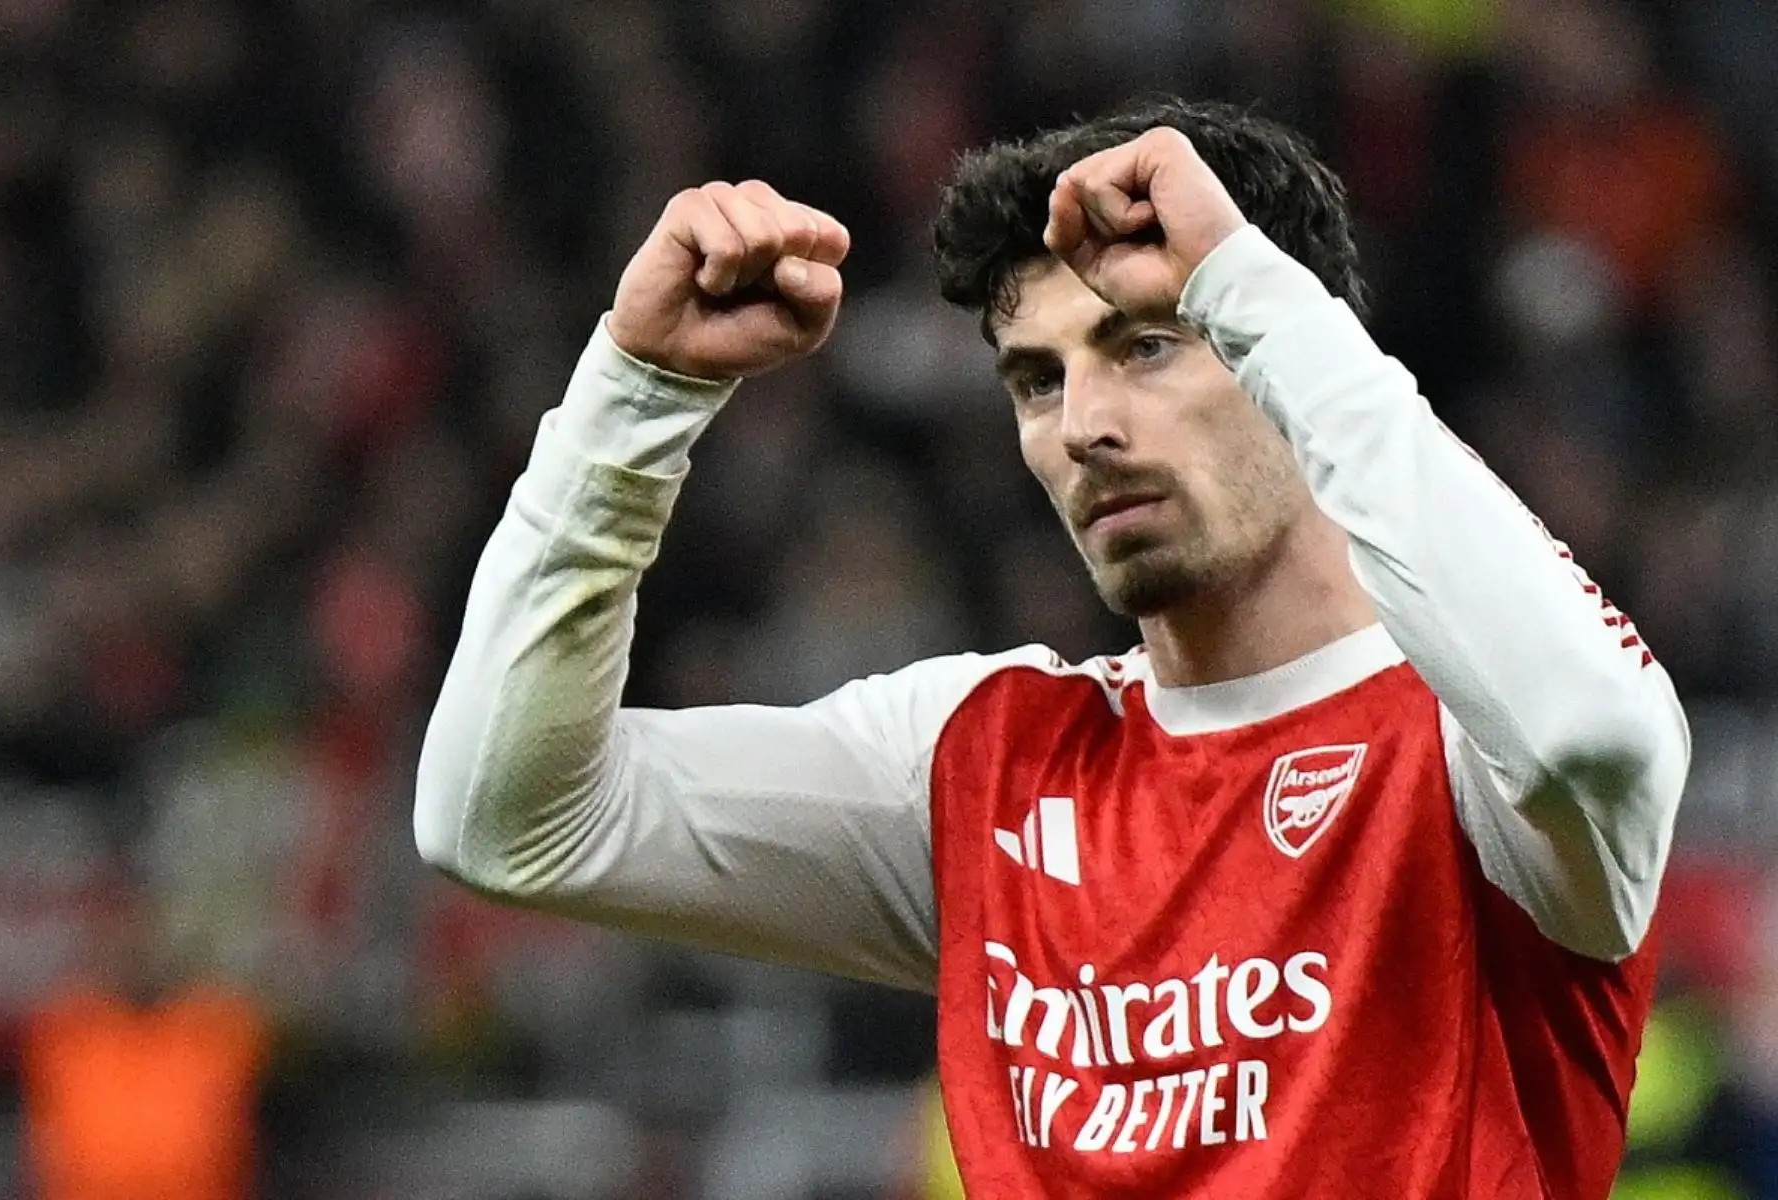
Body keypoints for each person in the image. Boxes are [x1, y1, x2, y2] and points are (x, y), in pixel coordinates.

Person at [414, 97, 1691, 1197]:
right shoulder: (987, 761)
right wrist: (634, 402)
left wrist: (1250, 287)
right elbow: (507, 818)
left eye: (1146, 345)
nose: (1083, 424)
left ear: (1287, 351)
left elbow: (1593, 727)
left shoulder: (1483, 753)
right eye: (1036, 379)